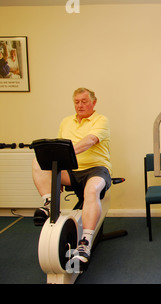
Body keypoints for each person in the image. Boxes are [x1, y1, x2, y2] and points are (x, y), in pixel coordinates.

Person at [32, 87, 112, 267]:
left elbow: (90, 141)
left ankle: (85, 243)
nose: (80, 105)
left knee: (91, 190)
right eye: (77, 102)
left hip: (96, 169)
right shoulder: (66, 122)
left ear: (94, 102)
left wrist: (65, 153)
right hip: (71, 171)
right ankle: (49, 202)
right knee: (39, 159)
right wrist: (56, 168)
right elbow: (59, 146)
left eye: (84, 101)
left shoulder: (101, 120)